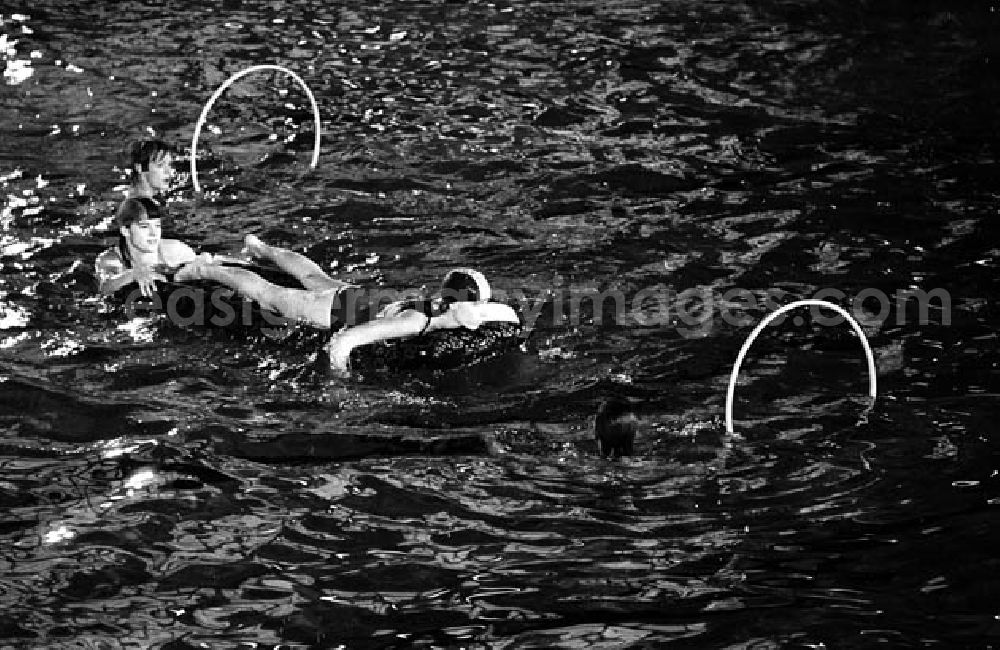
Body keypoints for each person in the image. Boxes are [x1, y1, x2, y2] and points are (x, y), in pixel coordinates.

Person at [173, 235, 520, 371]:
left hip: (357, 297)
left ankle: (261, 249)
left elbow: (498, 311)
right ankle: (204, 269)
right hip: (333, 313)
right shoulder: (416, 322)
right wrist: (340, 381)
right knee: (267, 294)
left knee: (312, 274)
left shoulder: (436, 306)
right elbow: (344, 342)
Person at [95, 197, 197, 297]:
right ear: (126, 231)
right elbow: (105, 287)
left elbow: (202, 267)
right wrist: (133, 274)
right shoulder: (111, 259)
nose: (153, 233)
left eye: (157, 226)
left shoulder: (175, 250)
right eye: (144, 226)